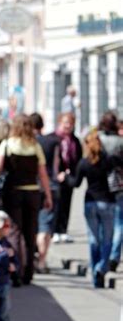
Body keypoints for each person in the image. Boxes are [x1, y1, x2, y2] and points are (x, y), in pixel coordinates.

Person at [0, 114, 52, 285]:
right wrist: (47, 195)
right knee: (30, 232)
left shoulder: (7, 144)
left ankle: (16, 270)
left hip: (13, 192)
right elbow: (43, 174)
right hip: (32, 192)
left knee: (14, 231)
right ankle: (29, 273)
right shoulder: (35, 145)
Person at [61, 130, 122, 288]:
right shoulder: (108, 160)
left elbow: (76, 184)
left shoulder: (84, 163)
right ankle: (101, 268)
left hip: (90, 203)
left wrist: (65, 177)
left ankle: (96, 275)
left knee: (94, 239)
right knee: (107, 239)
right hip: (108, 202)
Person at [30, 113, 61, 273]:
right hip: (50, 185)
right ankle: (42, 260)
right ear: (42, 125)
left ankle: (31, 258)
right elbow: (56, 166)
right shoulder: (52, 142)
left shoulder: (27, 142)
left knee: (33, 224)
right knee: (45, 225)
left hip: (31, 186)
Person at [98, 111, 123, 271]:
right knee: (119, 223)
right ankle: (114, 256)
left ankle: (104, 256)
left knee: (103, 224)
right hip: (118, 185)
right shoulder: (119, 142)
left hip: (99, 186)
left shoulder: (97, 139)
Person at [53, 112, 82, 243]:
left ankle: (63, 230)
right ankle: (54, 231)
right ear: (60, 123)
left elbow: (78, 158)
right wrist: (57, 173)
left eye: (70, 123)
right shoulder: (55, 138)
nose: (68, 125)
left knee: (67, 203)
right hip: (56, 177)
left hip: (70, 177)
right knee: (56, 204)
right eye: (65, 122)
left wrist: (74, 173)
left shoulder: (75, 140)